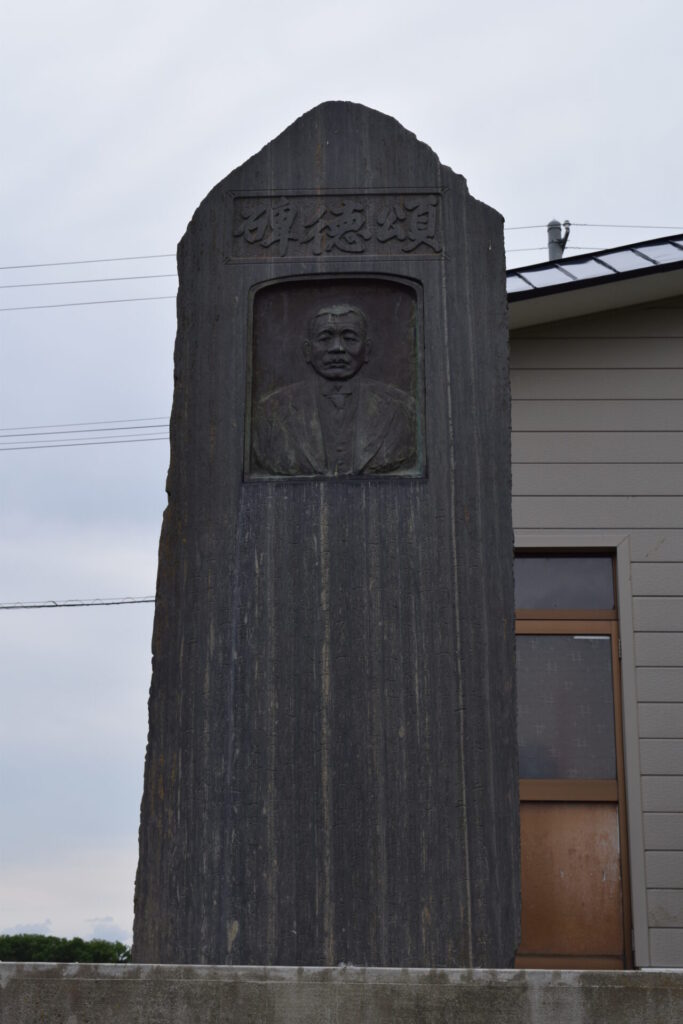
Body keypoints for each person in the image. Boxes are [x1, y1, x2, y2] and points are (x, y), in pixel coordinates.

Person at [252, 304, 416, 476]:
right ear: (308, 350)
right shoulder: (271, 413)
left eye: (350, 339)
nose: (337, 348)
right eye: (325, 339)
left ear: (366, 350)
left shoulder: (402, 409)